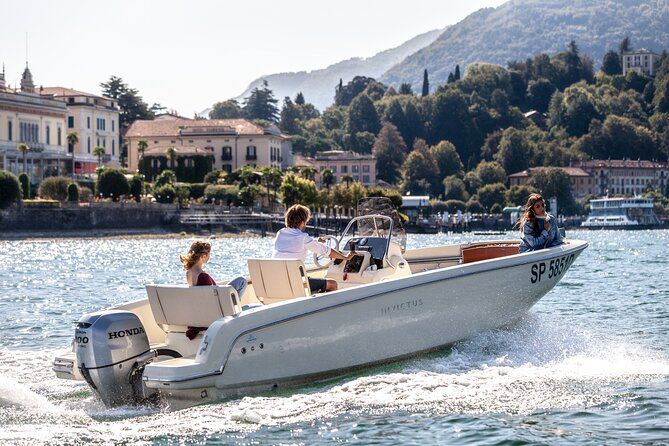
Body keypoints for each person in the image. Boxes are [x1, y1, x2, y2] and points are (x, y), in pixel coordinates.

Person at [273, 204, 354, 292]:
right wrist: (345, 257)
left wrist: (317, 243)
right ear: (303, 221)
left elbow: (294, 244)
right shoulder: (303, 237)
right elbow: (327, 251)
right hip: (294, 282)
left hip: (277, 280)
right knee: (332, 284)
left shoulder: (280, 233)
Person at [179, 240, 247, 339]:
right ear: (203, 256)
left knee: (241, 281)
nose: (209, 257)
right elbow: (212, 303)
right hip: (217, 313)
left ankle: (236, 306)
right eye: (209, 254)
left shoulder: (189, 272)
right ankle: (235, 310)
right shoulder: (203, 276)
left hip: (204, 310)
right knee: (253, 306)